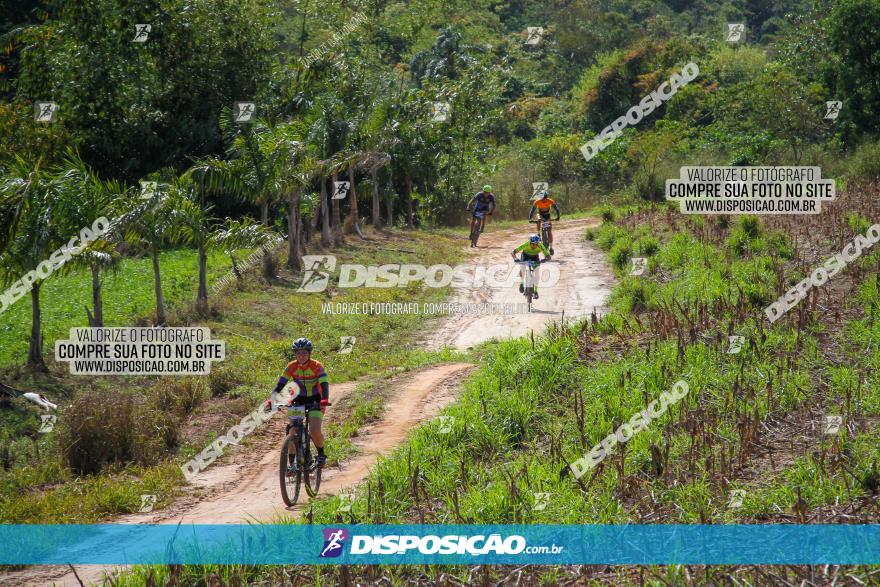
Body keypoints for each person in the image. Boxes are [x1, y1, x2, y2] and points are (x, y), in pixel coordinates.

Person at [266, 337, 329, 466]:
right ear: (295, 354)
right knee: (292, 430)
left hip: (316, 399)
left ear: (309, 353)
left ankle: (321, 454)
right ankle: (292, 463)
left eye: (304, 352)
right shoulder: (291, 367)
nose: (301, 356)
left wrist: (324, 399)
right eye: (298, 353)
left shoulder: (317, 366)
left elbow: (324, 384)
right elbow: (280, 384)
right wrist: (272, 399)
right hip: (297, 399)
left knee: (314, 431)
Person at [511, 234, 551, 298]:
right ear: (530, 242)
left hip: (535, 257)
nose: (534, 245)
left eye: (536, 244)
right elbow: (513, 252)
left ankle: (535, 291)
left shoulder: (540, 245)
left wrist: (545, 259)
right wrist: (515, 258)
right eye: (532, 244)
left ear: (538, 243)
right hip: (525, 255)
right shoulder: (526, 244)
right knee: (522, 269)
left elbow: (548, 256)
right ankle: (521, 283)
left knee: (537, 273)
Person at [528, 190, 561, 254]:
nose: (544, 200)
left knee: (549, 231)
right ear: (540, 198)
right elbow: (532, 210)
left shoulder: (550, 201)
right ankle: (538, 233)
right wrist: (530, 218)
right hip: (539, 214)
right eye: (542, 198)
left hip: (547, 215)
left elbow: (557, 209)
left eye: (545, 198)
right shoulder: (537, 201)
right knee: (539, 219)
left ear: (547, 197)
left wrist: (558, 216)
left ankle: (551, 248)